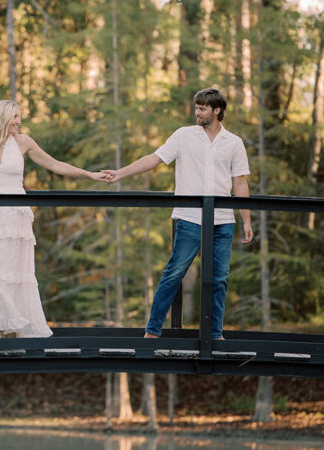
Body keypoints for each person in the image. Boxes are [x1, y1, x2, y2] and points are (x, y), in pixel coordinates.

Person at [102, 87, 254, 340]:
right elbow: (154, 158)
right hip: (189, 218)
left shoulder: (234, 142)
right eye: (196, 107)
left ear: (217, 110)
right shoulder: (183, 135)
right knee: (174, 273)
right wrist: (120, 173)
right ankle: (152, 332)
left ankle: (215, 335)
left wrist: (246, 220)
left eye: (202, 108)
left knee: (219, 279)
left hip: (223, 221)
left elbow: (240, 182)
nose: (197, 112)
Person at [0, 99, 108, 338]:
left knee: (12, 269)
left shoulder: (23, 142)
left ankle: (12, 327)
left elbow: (55, 165)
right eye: (15, 116)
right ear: (2, 118)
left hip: (15, 214)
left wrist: (90, 175)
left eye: (19, 116)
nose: (19, 121)